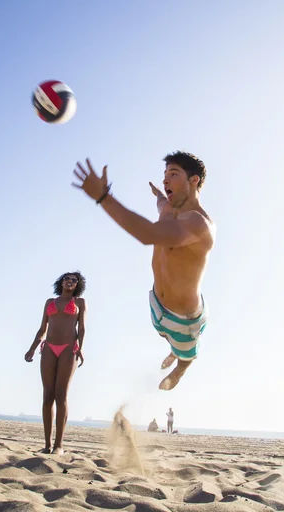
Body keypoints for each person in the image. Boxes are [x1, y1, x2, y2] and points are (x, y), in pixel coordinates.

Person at [72, 151, 215, 390]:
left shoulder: (199, 224)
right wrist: (158, 195)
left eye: (173, 174)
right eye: (164, 175)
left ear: (194, 180)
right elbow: (161, 203)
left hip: (184, 319)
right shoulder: (168, 209)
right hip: (157, 305)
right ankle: (172, 348)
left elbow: (148, 234)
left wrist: (103, 197)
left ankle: (180, 368)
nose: (165, 180)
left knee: (185, 356)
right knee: (162, 334)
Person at [24, 271, 86, 455]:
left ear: (77, 285)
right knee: (47, 396)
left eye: (74, 280)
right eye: (67, 278)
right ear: (61, 282)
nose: (70, 282)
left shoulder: (80, 303)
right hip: (49, 348)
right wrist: (32, 348)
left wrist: (81, 347)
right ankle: (47, 445)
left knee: (61, 395)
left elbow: (81, 328)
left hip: (69, 348)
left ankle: (59, 445)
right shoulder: (49, 302)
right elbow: (42, 328)